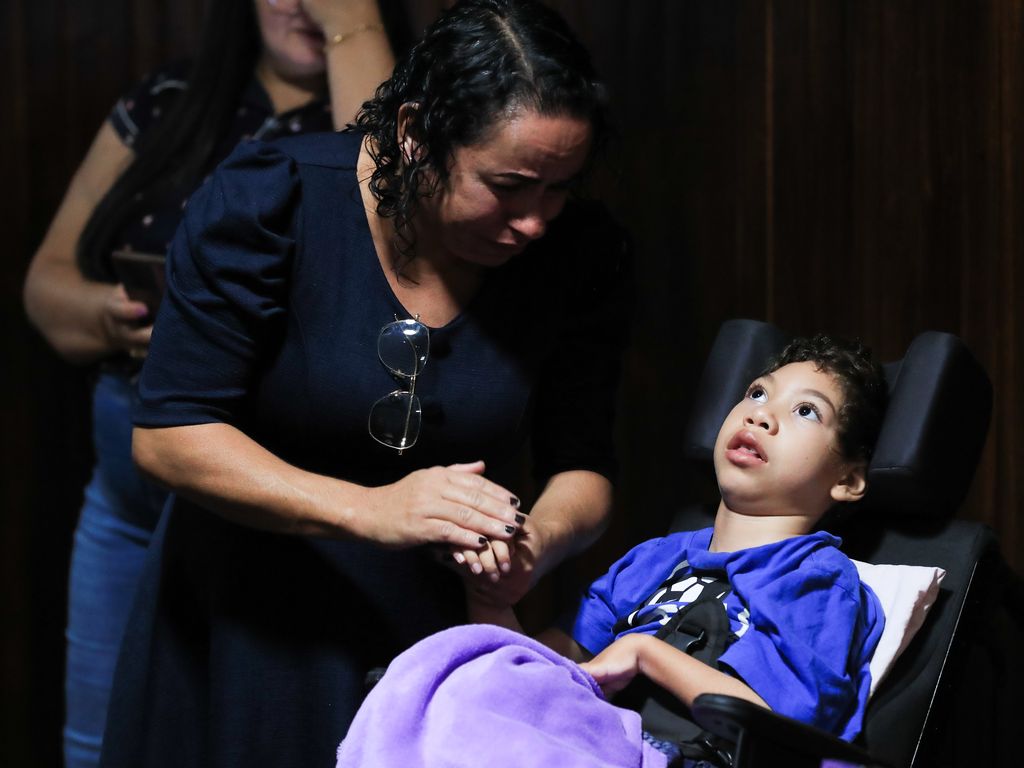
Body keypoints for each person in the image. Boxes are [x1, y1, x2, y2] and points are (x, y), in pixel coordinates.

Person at [98, 1, 630, 766]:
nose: (536, 221)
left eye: (559, 189)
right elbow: (171, 435)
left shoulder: (580, 256)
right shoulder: (273, 202)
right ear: (414, 134)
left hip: (433, 641)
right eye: (508, 186)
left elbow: (584, 465)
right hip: (248, 624)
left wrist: (535, 543)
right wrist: (374, 509)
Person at [22, 2, 402, 766]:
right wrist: (112, 314)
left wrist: (350, 27)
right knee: (98, 743)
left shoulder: (400, 117)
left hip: (279, 505)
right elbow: (45, 286)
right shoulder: (168, 100)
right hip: (126, 492)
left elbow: (384, 218)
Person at [336, 335, 888, 768]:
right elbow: (550, 671)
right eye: (758, 393)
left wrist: (647, 653)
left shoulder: (816, 578)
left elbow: (785, 725)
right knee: (453, 687)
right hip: (590, 740)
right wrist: (488, 587)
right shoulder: (654, 560)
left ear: (849, 480)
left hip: (686, 759)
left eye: (806, 412)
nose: (760, 414)